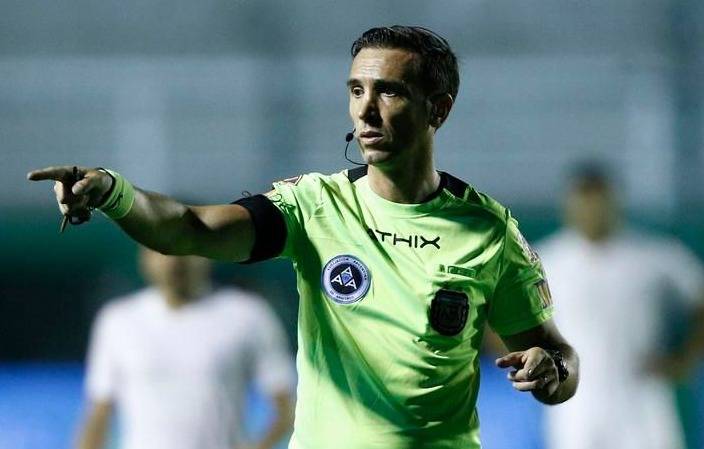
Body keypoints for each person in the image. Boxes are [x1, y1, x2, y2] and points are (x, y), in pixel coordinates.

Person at [30, 26, 579, 449]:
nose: (366, 110)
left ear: (439, 108)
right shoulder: (314, 207)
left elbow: (558, 357)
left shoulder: (488, 230)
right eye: (357, 90)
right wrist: (113, 191)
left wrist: (551, 370)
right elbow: (189, 228)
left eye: (389, 92)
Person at [537, 163, 704, 449]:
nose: (591, 213)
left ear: (614, 203)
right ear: (569, 206)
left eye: (598, 204)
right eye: (584, 204)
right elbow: (496, 315)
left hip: (642, 398)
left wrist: (687, 358)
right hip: (576, 405)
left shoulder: (655, 255)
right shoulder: (545, 261)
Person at [76, 247, 295, 449]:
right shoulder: (117, 321)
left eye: (185, 247)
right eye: (161, 249)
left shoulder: (248, 315)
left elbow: (287, 409)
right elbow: (99, 414)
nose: (174, 261)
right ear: (144, 257)